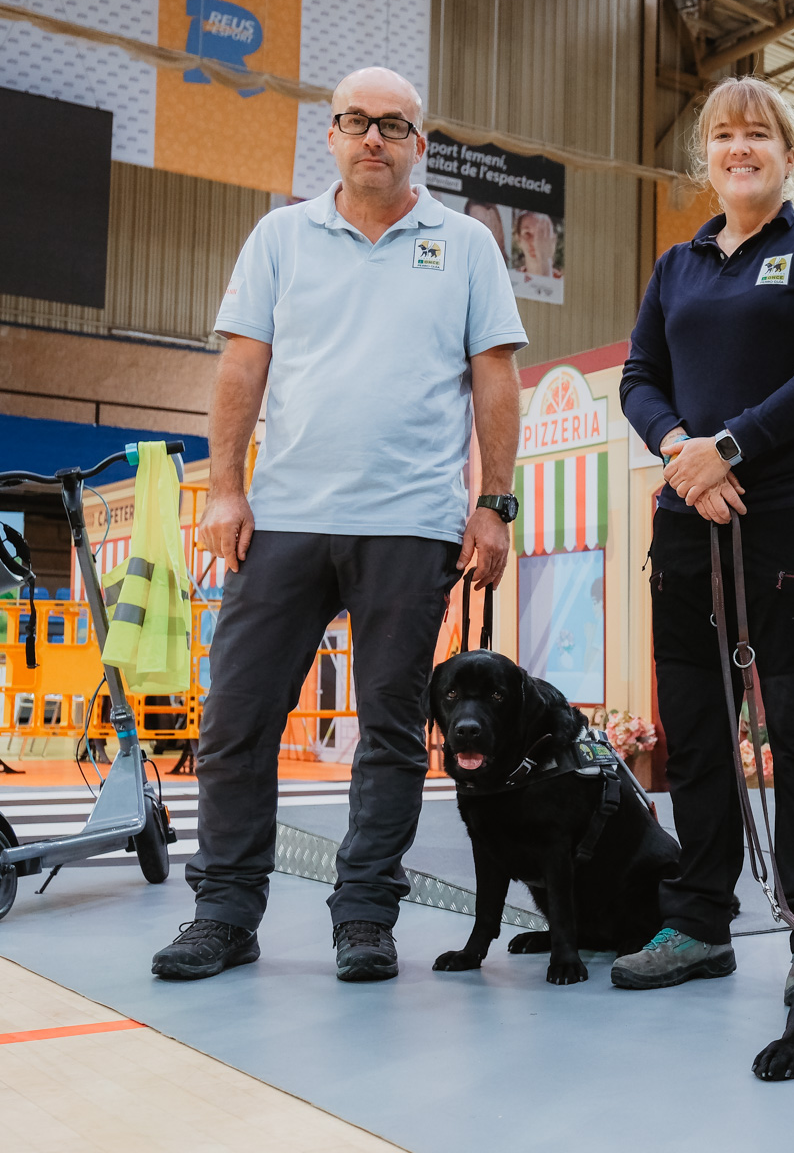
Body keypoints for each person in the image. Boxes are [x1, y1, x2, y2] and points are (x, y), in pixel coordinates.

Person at [151, 66, 528, 983]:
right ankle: (226, 913)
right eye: (355, 122)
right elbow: (241, 371)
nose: (372, 138)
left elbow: (496, 380)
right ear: (329, 135)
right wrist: (227, 491)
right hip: (282, 521)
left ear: (419, 145)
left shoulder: (467, 246)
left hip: (410, 524)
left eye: (392, 126)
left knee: (389, 732)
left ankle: (365, 913)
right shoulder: (282, 238)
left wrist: (494, 502)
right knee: (238, 719)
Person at [615, 76, 794, 990]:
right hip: (689, 526)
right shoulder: (677, 266)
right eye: (723, 136)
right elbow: (639, 376)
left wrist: (729, 447)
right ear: (707, 160)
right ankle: (699, 925)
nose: (739, 148)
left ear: (789, 155)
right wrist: (683, 450)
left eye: (758, 135)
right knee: (695, 727)